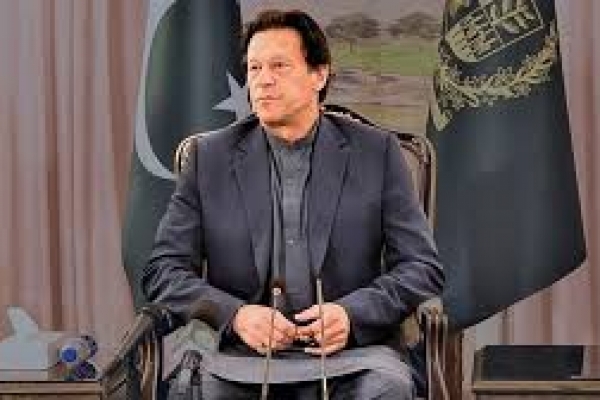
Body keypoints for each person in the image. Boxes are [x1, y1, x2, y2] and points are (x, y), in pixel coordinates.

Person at [143, 9, 444, 400]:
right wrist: (236, 316)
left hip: (353, 355)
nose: (262, 80)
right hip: (238, 354)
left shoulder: (376, 154)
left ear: (319, 75)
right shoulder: (209, 158)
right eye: (254, 68)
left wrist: (352, 314)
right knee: (197, 391)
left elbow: (422, 267)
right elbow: (162, 270)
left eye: (279, 66)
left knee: (388, 387)